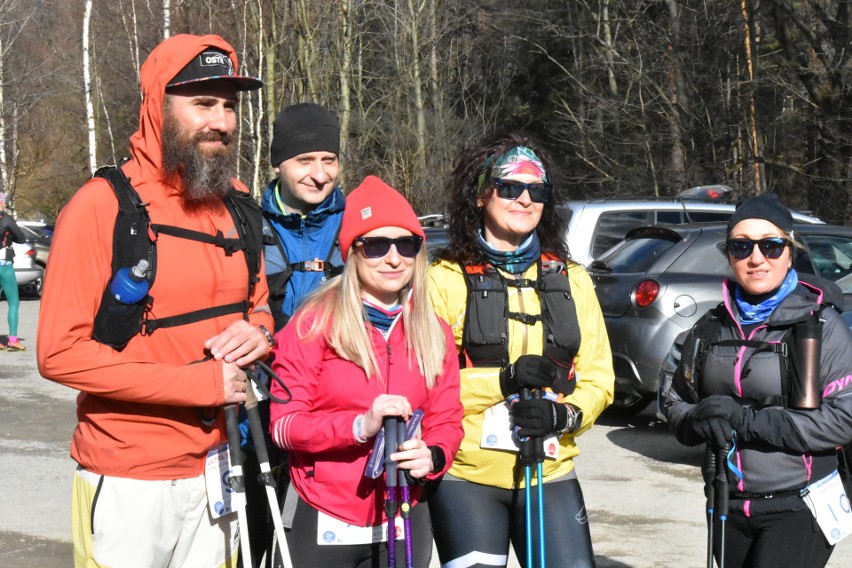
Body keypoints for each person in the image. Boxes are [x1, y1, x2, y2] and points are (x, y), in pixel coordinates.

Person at [37, 34, 274, 568]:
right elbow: (58, 353)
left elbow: (259, 304)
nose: (222, 121)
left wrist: (259, 331)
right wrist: (197, 384)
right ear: (158, 106)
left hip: (220, 465)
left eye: (230, 106)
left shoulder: (235, 206)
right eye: (203, 103)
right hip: (128, 477)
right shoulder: (101, 206)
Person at [426, 132, 615, 567]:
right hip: (468, 476)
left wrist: (564, 414)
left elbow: (600, 377)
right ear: (479, 195)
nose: (524, 199)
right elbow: (428, 386)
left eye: (537, 190)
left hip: (549, 472)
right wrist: (502, 381)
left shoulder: (571, 278)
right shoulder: (444, 279)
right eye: (509, 187)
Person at [268, 175, 463, 567]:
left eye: (406, 245)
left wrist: (434, 457)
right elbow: (283, 426)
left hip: (405, 512)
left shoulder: (433, 328)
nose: (393, 258)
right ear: (352, 252)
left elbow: (448, 419)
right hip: (323, 513)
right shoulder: (313, 322)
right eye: (376, 245)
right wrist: (359, 426)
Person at [660, 193, 852, 568]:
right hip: (725, 501)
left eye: (771, 245)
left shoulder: (821, 327)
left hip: (799, 504)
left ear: (790, 251)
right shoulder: (709, 327)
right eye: (741, 246)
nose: (756, 257)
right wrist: (699, 419)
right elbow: (672, 402)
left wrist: (747, 422)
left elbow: (843, 419)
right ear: (729, 254)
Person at [262, 102, 345, 331]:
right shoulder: (248, 229)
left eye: (328, 160)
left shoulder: (357, 227)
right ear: (277, 164)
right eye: (305, 161)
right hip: (269, 364)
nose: (319, 175)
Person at [0, 192, 26, 351]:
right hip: (4, 264)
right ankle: (13, 340)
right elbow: (21, 238)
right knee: (13, 303)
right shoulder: (7, 220)